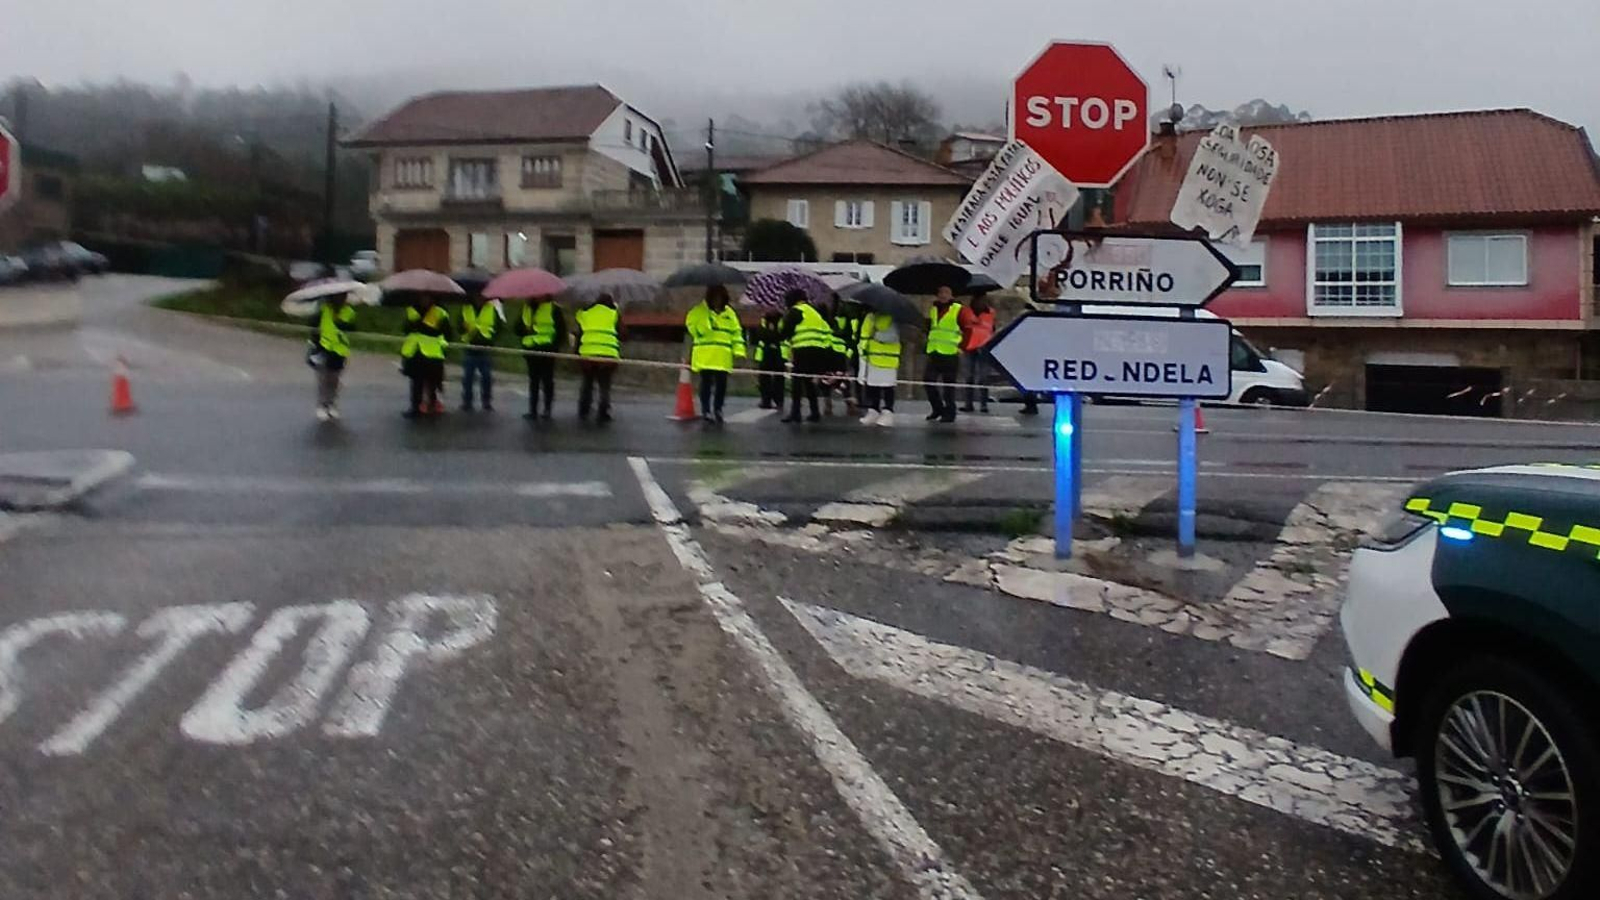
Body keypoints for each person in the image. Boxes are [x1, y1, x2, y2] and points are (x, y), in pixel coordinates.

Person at [685, 285, 746, 423]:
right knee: (706, 383)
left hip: (723, 356)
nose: (717, 300)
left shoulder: (730, 314)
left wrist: (739, 350)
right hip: (705, 355)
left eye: (720, 298)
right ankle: (706, 410)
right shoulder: (698, 311)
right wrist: (706, 320)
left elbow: (736, 332)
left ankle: (718, 409)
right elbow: (694, 329)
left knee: (721, 384)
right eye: (715, 297)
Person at [778, 288, 834, 423]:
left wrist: (782, 323)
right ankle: (814, 412)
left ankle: (795, 413)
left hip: (803, 350)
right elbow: (827, 331)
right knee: (810, 383)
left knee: (797, 382)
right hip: (819, 351)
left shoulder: (796, 311)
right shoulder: (814, 312)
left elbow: (785, 333)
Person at [516, 295, 567, 420]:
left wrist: (554, 347)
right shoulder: (526, 308)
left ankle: (547, 409)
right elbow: (516, 328)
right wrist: (525, 329)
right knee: (534, 381)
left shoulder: (553, 309)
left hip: (547, 350)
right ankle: (532, 410)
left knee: (547, 381)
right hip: (531, 350)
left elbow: (561, 331)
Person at [401, 295, 452, 419]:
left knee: (433, 382)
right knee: (416, 382)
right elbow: (405, 329)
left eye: (428, 297)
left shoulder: (440, 312)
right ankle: (415, 407)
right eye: (422, 297)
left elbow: (447, 334)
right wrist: (412, 324)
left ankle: (432, 406)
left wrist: (426, 328)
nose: (425, 299)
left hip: (432, 353)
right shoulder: (411, 310)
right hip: (415, 351)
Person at [574, 292, 621, 423]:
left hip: (588, 354)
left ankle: (584, 409)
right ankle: (603, 411)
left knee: (587, 383)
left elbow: (579, 334)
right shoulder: (614, 314)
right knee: (604, 385)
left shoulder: (585, 313)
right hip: (608, 355)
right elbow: (623, 333)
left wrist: (576, 353)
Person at [312, 292, 356, 422]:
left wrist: (343, 325)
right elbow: (313, 325)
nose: (341, 299)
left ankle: (331, 404)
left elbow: (353, 328)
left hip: (340, 350)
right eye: (338, 297)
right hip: (324, 347)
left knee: (335, 380)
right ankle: (321, 405)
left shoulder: (349, 311)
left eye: (343, 297)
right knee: (323, 379)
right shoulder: (323, 309)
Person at [924, 286, 966, 423]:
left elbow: (968, 329)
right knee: (928, 381)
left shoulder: (958, 310)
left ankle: (950, 412)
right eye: (940, 292)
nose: (943, 295)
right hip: (935, 351)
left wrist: (963, 346)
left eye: (946, 292)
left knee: (948, 387)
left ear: (952, 295)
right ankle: (937, 408)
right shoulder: (934, 309)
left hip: (950, 352)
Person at [856, 308, 901, 427]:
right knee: (872, 386)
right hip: (871, 357)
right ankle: (873, 410)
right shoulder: (870, 316)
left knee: (887, 387)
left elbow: (892, 336)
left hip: (887, 359)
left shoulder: (893, 317)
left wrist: (875, 334)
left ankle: (888, 412)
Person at [458, 293, 498, 412]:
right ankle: (467, 401)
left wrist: (491, 340)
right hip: (470, 347)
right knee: (468, 377)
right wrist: (463, 327)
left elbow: (498, 327)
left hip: (485, 348)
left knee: (486, 377)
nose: (479, 298)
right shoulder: (466, 309)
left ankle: (486, 401)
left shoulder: (491, 309)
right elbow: (459, 326)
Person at [959, 294, 997, 413]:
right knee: (968, 377)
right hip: (969, 346)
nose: (981, 302)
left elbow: (992, 328)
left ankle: (983, 405)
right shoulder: (966, 311)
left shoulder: (991, 313)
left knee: (983, 378)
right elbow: (961, 326)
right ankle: (968, 404)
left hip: (985, 348)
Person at [752, 309, 787, 409]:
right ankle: (766, 400)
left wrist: (771, 335)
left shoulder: (782, 322)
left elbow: (782, 336)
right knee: (764, 378)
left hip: (779, 353)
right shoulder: (764, 322)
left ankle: (779, 401)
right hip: (765, 353)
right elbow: (760, 335)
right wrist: (772, 335)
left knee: (779, 379)